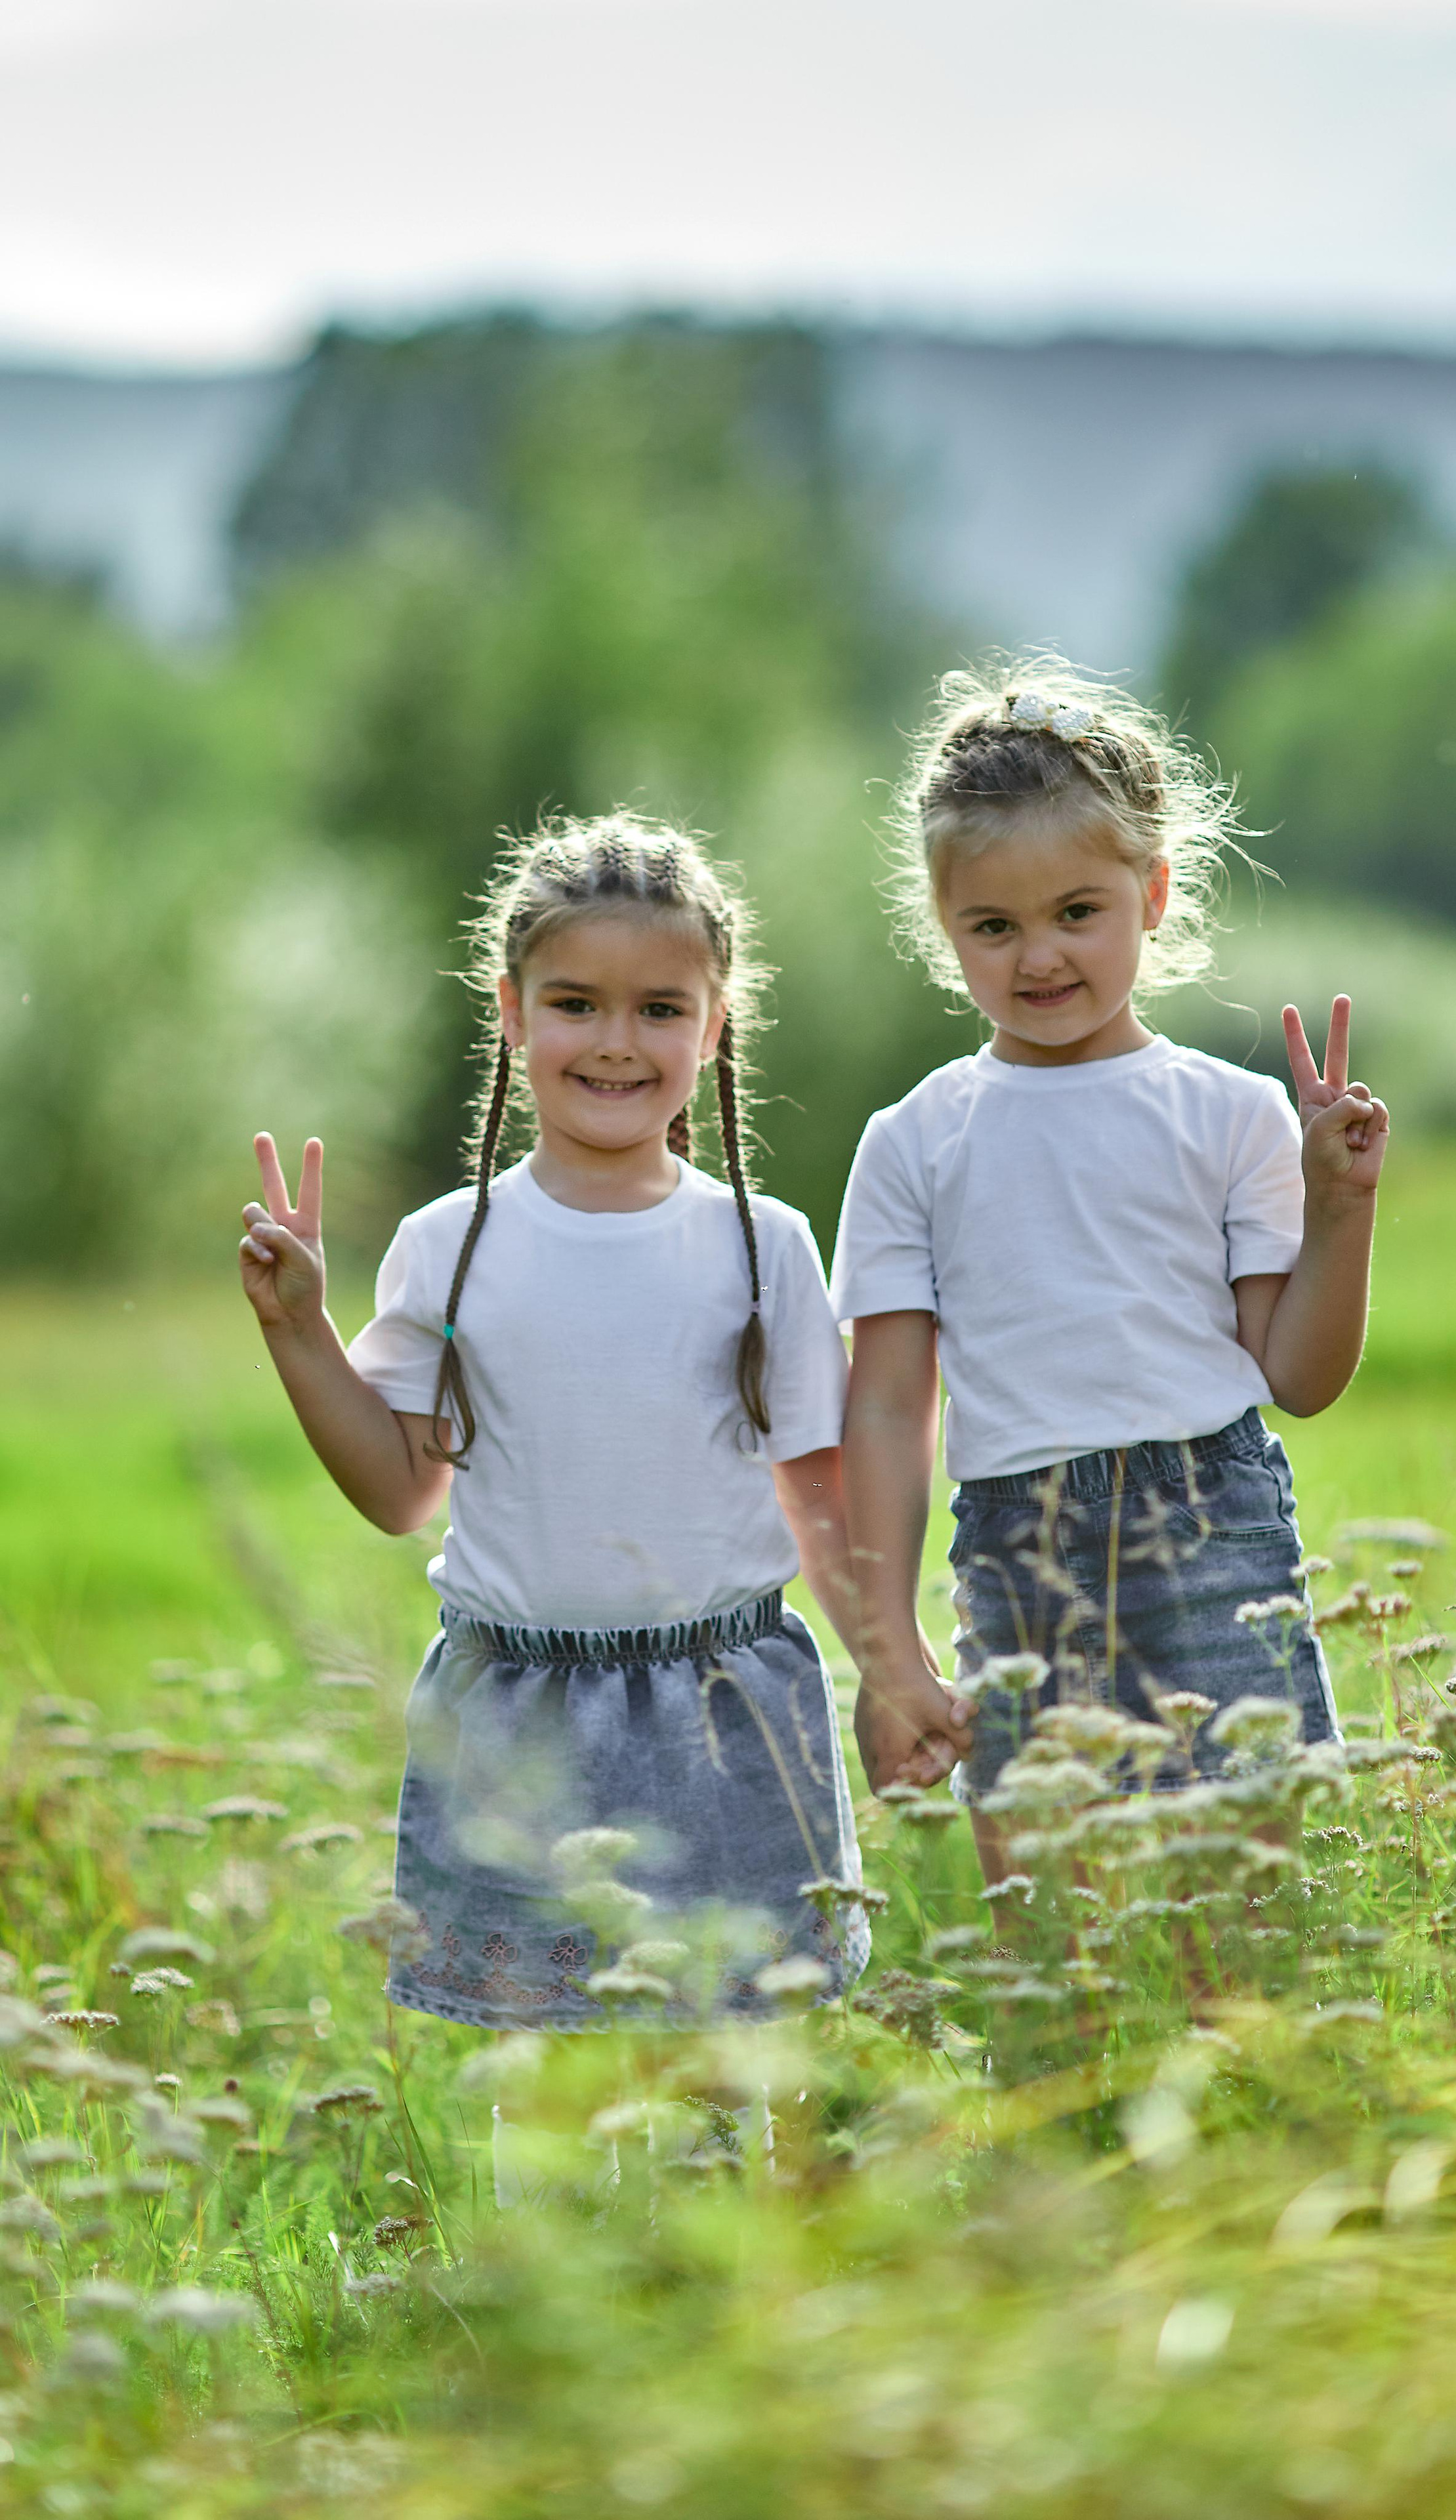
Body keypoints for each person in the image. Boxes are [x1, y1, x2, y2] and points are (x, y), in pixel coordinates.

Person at [238, 814, 869, 2080]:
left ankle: (710, 2281)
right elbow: (400, 1492)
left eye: (659, 1009)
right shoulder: (452, 1242)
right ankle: (544, 2277)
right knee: (548, 2081)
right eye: (576, 1004)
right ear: (514, 1013)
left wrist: (893, 1674)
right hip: (518, 1716)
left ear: (717, 1020)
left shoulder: (764, 1246)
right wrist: (301, 1329)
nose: (617, 1043)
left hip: (723, 1709)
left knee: (714, 2056)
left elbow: (824, 1494)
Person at [833, 665, 1388, 1877]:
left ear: (1154, 894)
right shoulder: (915, 1141)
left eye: (1076, 912)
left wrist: (1341, 1209)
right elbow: (883, 1405)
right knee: (1054, 1922)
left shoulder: (1232, 1114)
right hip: (1018, 1561)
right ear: (947, 929)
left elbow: (1296, 1375)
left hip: (1215, 1530)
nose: (1039, 956)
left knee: (1244, 1903)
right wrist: (888, 1653)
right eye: (995, 925)